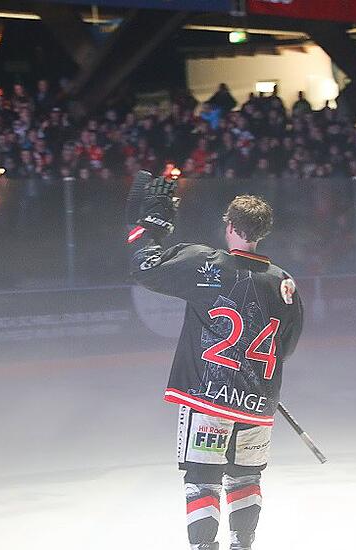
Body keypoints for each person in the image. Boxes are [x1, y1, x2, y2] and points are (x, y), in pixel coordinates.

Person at [126, 172, 304, 550]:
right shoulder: (285, 283)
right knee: (245, 479)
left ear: (228, 226)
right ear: (263, 231)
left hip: (208, 400)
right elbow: (284, 348)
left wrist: (151, 224)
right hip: (257, 405)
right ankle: (243, 544)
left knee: (202, 480)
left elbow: (144, 266)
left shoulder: (205, 263)